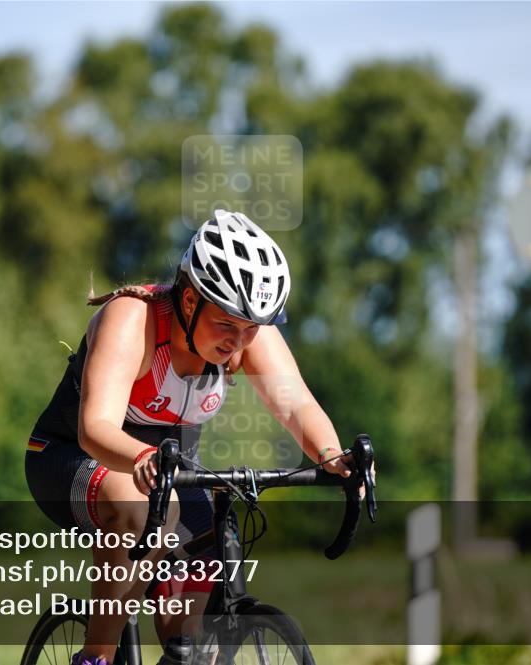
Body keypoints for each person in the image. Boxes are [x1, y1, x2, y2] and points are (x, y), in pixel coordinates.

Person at [25, 209, 355, 665]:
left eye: (251, 329)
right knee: (142, 506)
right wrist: (143, 457)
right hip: (70, 456)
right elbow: (95, 427)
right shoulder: (133, 320)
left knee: (195, 626)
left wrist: (332, 455)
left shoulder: (246, 333)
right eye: (227, 324)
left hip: (170, 473)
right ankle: (95, 656)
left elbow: (295, 405)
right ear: (188, 301)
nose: (238, 341)